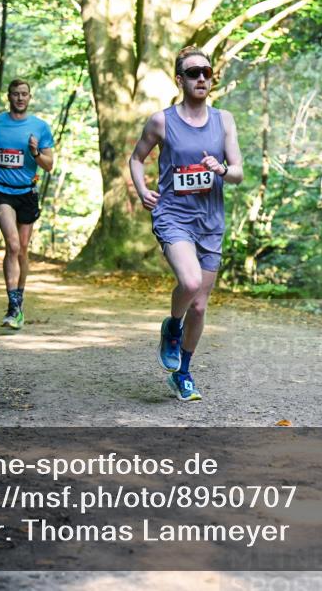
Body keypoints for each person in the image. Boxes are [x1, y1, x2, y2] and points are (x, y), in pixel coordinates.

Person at [129, 46, 244, 401]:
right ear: (180, 80)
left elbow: (238, 172)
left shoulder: (224, 120)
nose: (200, 78)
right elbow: (136, 159)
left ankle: (184, 373)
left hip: (210, 220)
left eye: (206, 73)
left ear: (212, 79)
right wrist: (142, 189)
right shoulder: (162, 121)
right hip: (173, 216)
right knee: (190, 282)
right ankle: (172, 328)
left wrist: (222, 170)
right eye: (193, 73)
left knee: (200, 304)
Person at [0, 79, 54, 330]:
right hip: (1, 191)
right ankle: (11, 306)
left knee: (21, 248)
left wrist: (34, 152)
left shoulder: (40, 127)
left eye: (24, 94)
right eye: (15, 94)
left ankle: (19, 303)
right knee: (11, 244)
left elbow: (49, 165)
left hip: (27, 193)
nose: (20, 98)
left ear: (29, 97)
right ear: (8, 97)